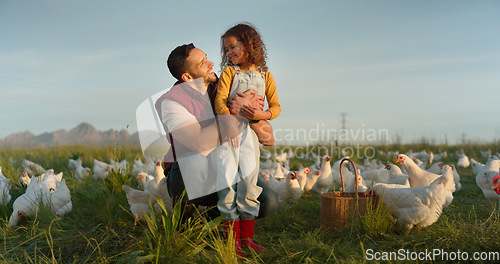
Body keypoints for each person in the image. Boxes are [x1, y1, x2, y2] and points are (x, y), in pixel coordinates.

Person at [155, 43, 277, 256]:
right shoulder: (171, 102)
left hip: (227, 168)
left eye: (207, 58)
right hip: (193, 174)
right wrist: (235, 113)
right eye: (203, 63)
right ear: (186, 77)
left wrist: (250, 112)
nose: (212, 63)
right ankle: (183, 226)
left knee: (268, 201)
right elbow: (199, 142)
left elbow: (268, 138)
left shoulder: (226, 86)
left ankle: (215, 220)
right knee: (193, 162)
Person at [212, 22, 281, 254]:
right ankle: (233, 243)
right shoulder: (230, 73)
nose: (229, 53)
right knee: (227, 182)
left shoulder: (267, 76)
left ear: (249, 45)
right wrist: (227, 120)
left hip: (250, 136)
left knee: (249, 184)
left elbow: (277, 107)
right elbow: (220, 100)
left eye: (233, 47)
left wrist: (261, 114)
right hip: (228, 135)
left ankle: (248, 239)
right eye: (226, 50)